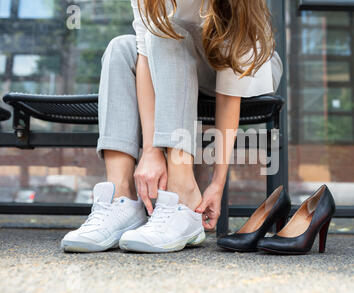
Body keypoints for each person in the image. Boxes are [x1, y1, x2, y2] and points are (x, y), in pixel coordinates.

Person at [61, 0, 283, 253]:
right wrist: (151, 150)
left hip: (245, 68)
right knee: (120, 48)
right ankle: (121, 199)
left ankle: (183, 197)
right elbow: (144, 58)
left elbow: (228, 97)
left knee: (169, 33)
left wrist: (216, 183)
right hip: (174, 58)